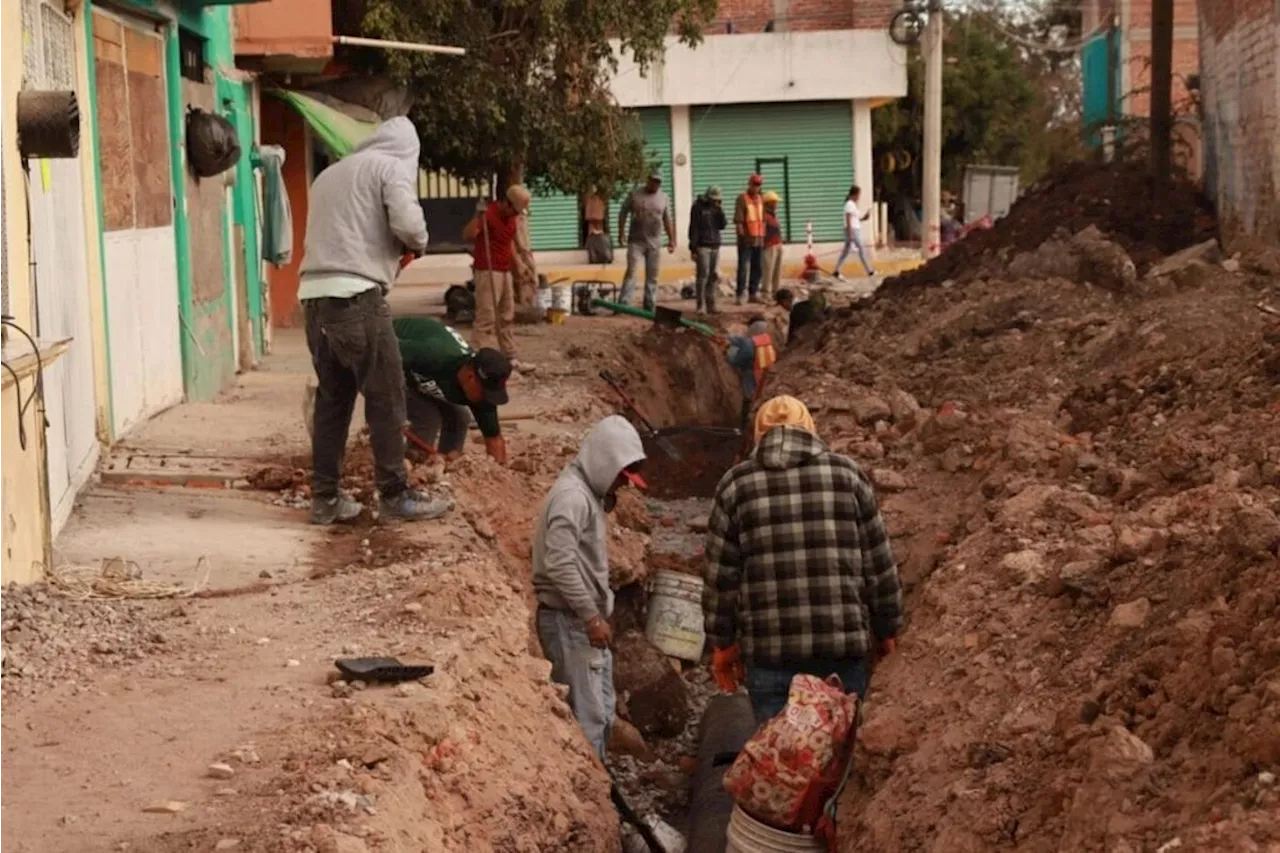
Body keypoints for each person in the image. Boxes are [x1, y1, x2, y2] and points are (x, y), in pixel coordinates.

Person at [702, 395, 903, 725]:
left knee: (781, 762)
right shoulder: (848, 476)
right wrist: (887, 631)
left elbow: (720, 580)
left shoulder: (735, 485)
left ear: (757, 434)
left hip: (770, 658)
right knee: (840, 758)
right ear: (810, 429)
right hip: (843, 652)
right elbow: (879, 567)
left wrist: (722, 644)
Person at [297, 116, 449, 526]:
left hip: (313, 298)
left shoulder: (328, 175)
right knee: (386, 396)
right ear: (408, 151)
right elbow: (408, 224)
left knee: (333, 401)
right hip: (356, 298)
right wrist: (417, 243)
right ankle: (395, 494)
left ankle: (325, 499)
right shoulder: (390, 167)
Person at [532, 416, 649, 759]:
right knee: (588, 719)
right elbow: (559, 563)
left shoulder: (587, 493)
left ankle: (599, 787)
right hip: (570, 622)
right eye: (620, 477)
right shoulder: (573, 498)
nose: (621, 487)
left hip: (580, 621)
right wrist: (591, 617)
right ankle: (591, 800)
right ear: (604, 462)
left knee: (601, 711)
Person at [393, 316, 512, 464]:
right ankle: (411, 468)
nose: (486, 399)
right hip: (386, 354)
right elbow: (384, 348)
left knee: (459, 417)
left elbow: (494, 438)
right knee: (427, 415)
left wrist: (497, 473)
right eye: (485, 392)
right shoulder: (434, 354)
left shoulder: (481, 392)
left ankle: (447, 467)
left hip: (414, 371)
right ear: (470, 377)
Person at [464, 185, 534, 369]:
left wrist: (518, 264)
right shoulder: (488, 213)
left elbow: (508, 242)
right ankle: (471, 358)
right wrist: (477, 216)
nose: (515, 215)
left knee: (507, 315)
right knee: (486, 317)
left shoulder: (512, 219)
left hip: (504, 270)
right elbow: (468, 234)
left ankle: (510, 357)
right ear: (506, 203)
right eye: (514, 210)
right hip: (488, 270)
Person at [617, 173, 676, 311]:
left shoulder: (664, 198)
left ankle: (649, 304)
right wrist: (621, 233)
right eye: (654, 181)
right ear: (648, 180)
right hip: (636, 241)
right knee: (631, 272)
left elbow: (667, 220)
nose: (656, 184)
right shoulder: (635, 195)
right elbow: (623, 213)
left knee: (653, 275)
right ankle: (623, 304)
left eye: (658, 182)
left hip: (654, 242)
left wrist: (672, 240)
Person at [724, 317, 778, 433]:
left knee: (748, 401)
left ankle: (744, 428)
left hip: (751, 375)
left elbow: (737, 360)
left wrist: (728, 353)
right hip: (765, 375)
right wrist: (731, 339)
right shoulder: (766, 339)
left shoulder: (748, 344)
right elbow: (742, 341)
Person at [688, 186, 727, 313]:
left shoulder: (716, 208)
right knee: (703, 275)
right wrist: (693, 249)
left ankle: (711, 304)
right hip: (702, 245)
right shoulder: (698, 207)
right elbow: (693, 228)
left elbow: (722, 225)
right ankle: (701, 305)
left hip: (715, 244)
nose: (715, 201)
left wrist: (720, 210)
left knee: (713, 276)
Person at [733, 174, 767, 305]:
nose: (756, 187)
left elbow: (763, 219)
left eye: (759, 185)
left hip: (759, 238)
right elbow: (739, 220)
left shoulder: (761, 199)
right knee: (743, 267)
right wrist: (742, 236)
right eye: (754, 184)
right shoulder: (742, 199)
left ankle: (753, 293)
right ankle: (740, 294)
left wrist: (763, 236)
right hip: (746, 239)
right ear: (750, 184)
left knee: (757, 267)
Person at [835, 185, 875, 280]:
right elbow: (848, 219)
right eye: (859, 195)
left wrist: (865, 217)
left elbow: (856, 219)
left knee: (846, 251)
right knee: (861, 249)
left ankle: (836, 270)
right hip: (852, 230)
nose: (859, 197)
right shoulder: (849, 204)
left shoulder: (852, 205)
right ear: (855, 194)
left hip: (854, 229)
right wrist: (850, 233)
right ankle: (869, 271)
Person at [760, 191, 784, 300]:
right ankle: (765, 294)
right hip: (769, 246)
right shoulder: (764, 216)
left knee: (777, 271)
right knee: (768, 271)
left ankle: (776, 292)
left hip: (777, 244)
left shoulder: (773, 215)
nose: (776, 205)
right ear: (769, 203)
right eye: (774, 202)